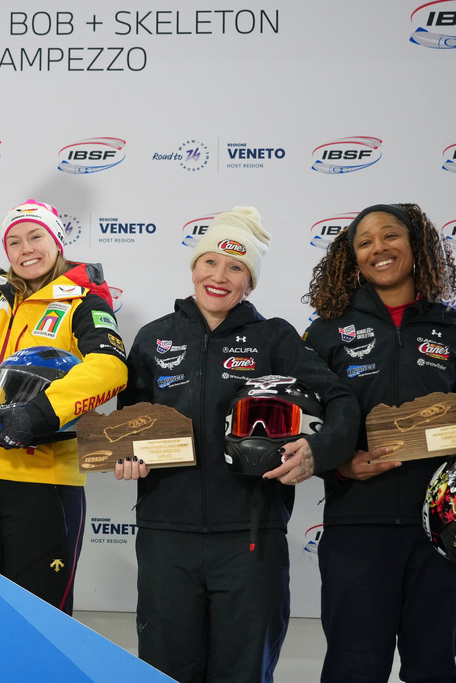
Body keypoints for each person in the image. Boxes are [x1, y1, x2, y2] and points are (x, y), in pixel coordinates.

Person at [116, 207, 359, 682]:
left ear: (250, 283)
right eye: (210, 263)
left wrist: (318, 451)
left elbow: (342, 401)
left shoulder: (275, 338)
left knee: (243, 674)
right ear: (193, 269)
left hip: (251, 539)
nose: (220, 277)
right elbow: (131, 428)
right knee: (165, 672)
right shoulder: (153, 338)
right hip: (168, 537)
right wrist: (128, 459)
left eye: (236, 268)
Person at [0, 87, 128, 615]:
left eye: (37, 238)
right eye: (15, 241)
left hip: (43, 485)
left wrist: (39, 412)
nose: (25, 249)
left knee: (38, 622)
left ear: (58, 243)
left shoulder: (83, 299)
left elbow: (110, 368)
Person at [303, 203, 456, 683]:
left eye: (390, 236)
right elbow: (310, 429)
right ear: (352, 259)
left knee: (433, 668)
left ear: (415, 246)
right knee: (353, 667)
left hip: (441, 531)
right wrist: (342, 467)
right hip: (357, 526)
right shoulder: (327, 332)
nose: (379, 248)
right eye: (365, 242)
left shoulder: (455, 330)